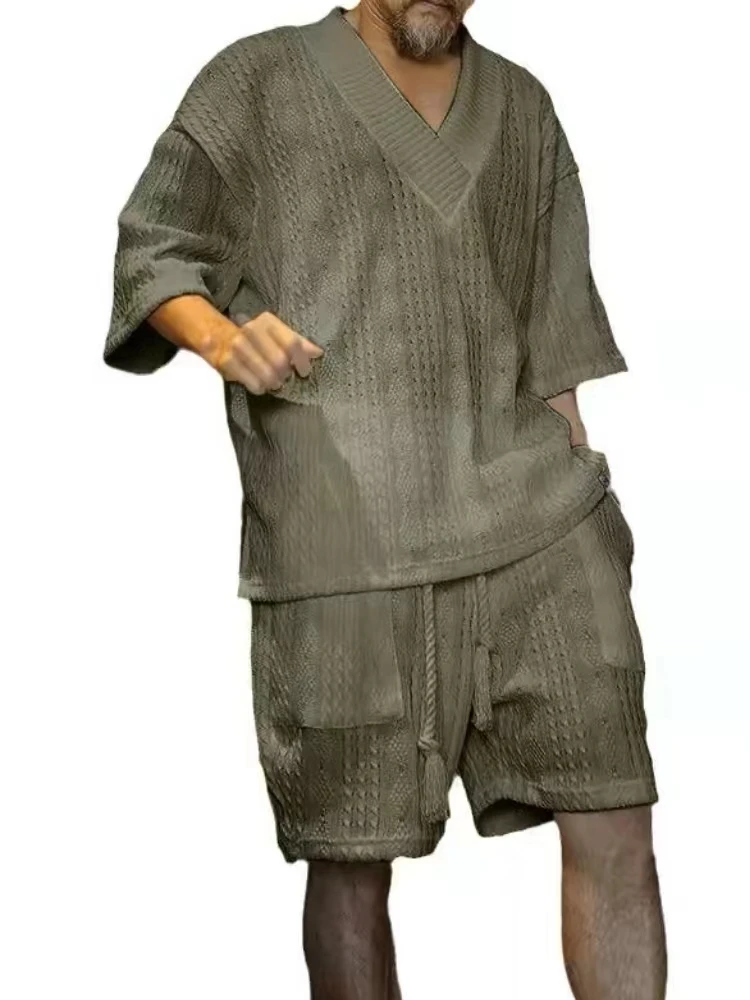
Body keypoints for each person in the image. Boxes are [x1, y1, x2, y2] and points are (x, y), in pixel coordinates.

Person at [103, 2, 668, 996]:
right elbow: (156, 249)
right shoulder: (255, 84)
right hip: (343, 533)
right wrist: (227, 341)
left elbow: (554, 341)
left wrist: (593, 503)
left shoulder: (524, 108)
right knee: (349, 858)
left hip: (539, 520)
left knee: (617, 816)